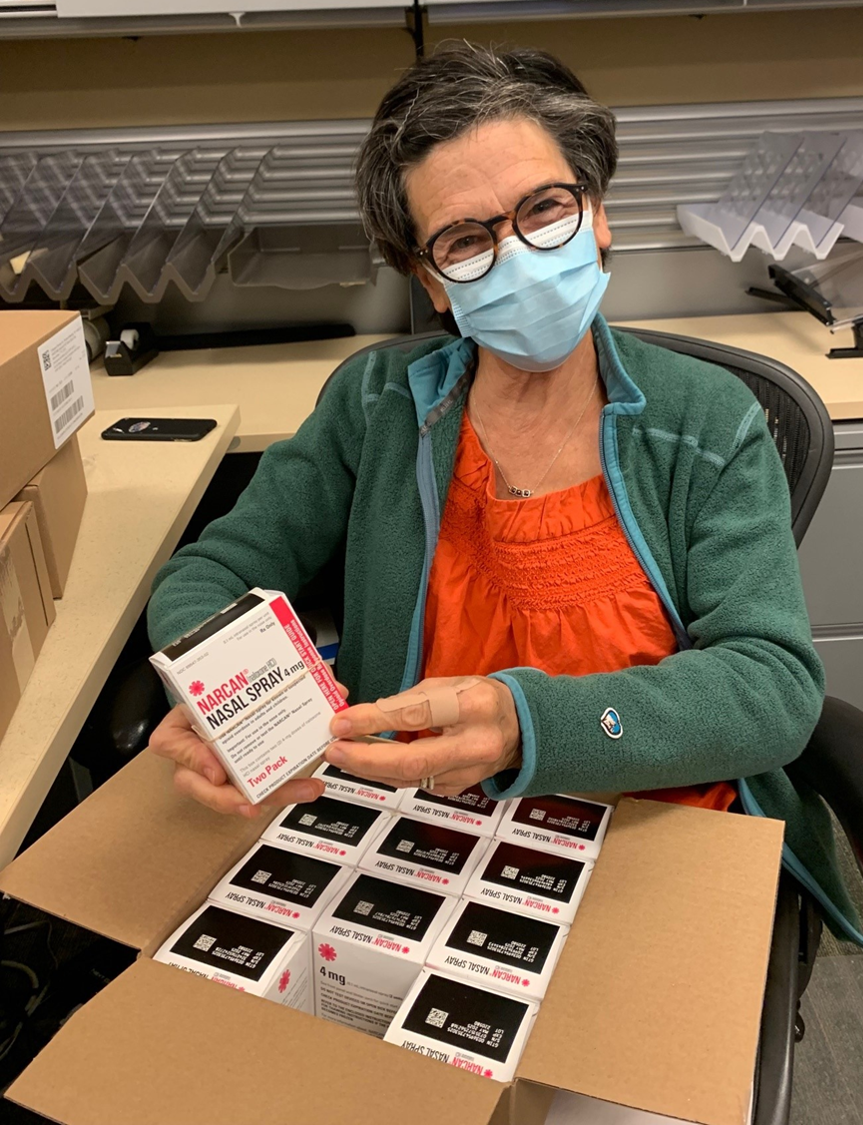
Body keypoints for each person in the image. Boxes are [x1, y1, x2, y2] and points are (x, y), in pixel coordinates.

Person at [147, 42, 859, 936]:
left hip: (660, 828)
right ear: (429, 280)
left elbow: (771, 687)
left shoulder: (706, 421)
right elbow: (211, 573)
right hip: (418, 832)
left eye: (544, 210)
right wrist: (223, 694)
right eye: (466, 239)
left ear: (596, 213)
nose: (518, 255)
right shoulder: (375, 407)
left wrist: (528, 722)